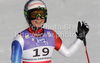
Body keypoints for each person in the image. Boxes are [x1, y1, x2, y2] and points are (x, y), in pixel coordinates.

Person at [11, 0, 89, 63]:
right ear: (27, 16)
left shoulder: (51, 35)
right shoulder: (20, 38)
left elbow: (68, 53)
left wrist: (80, 38)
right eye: (34, 14)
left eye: (42, 14)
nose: (39, 18)